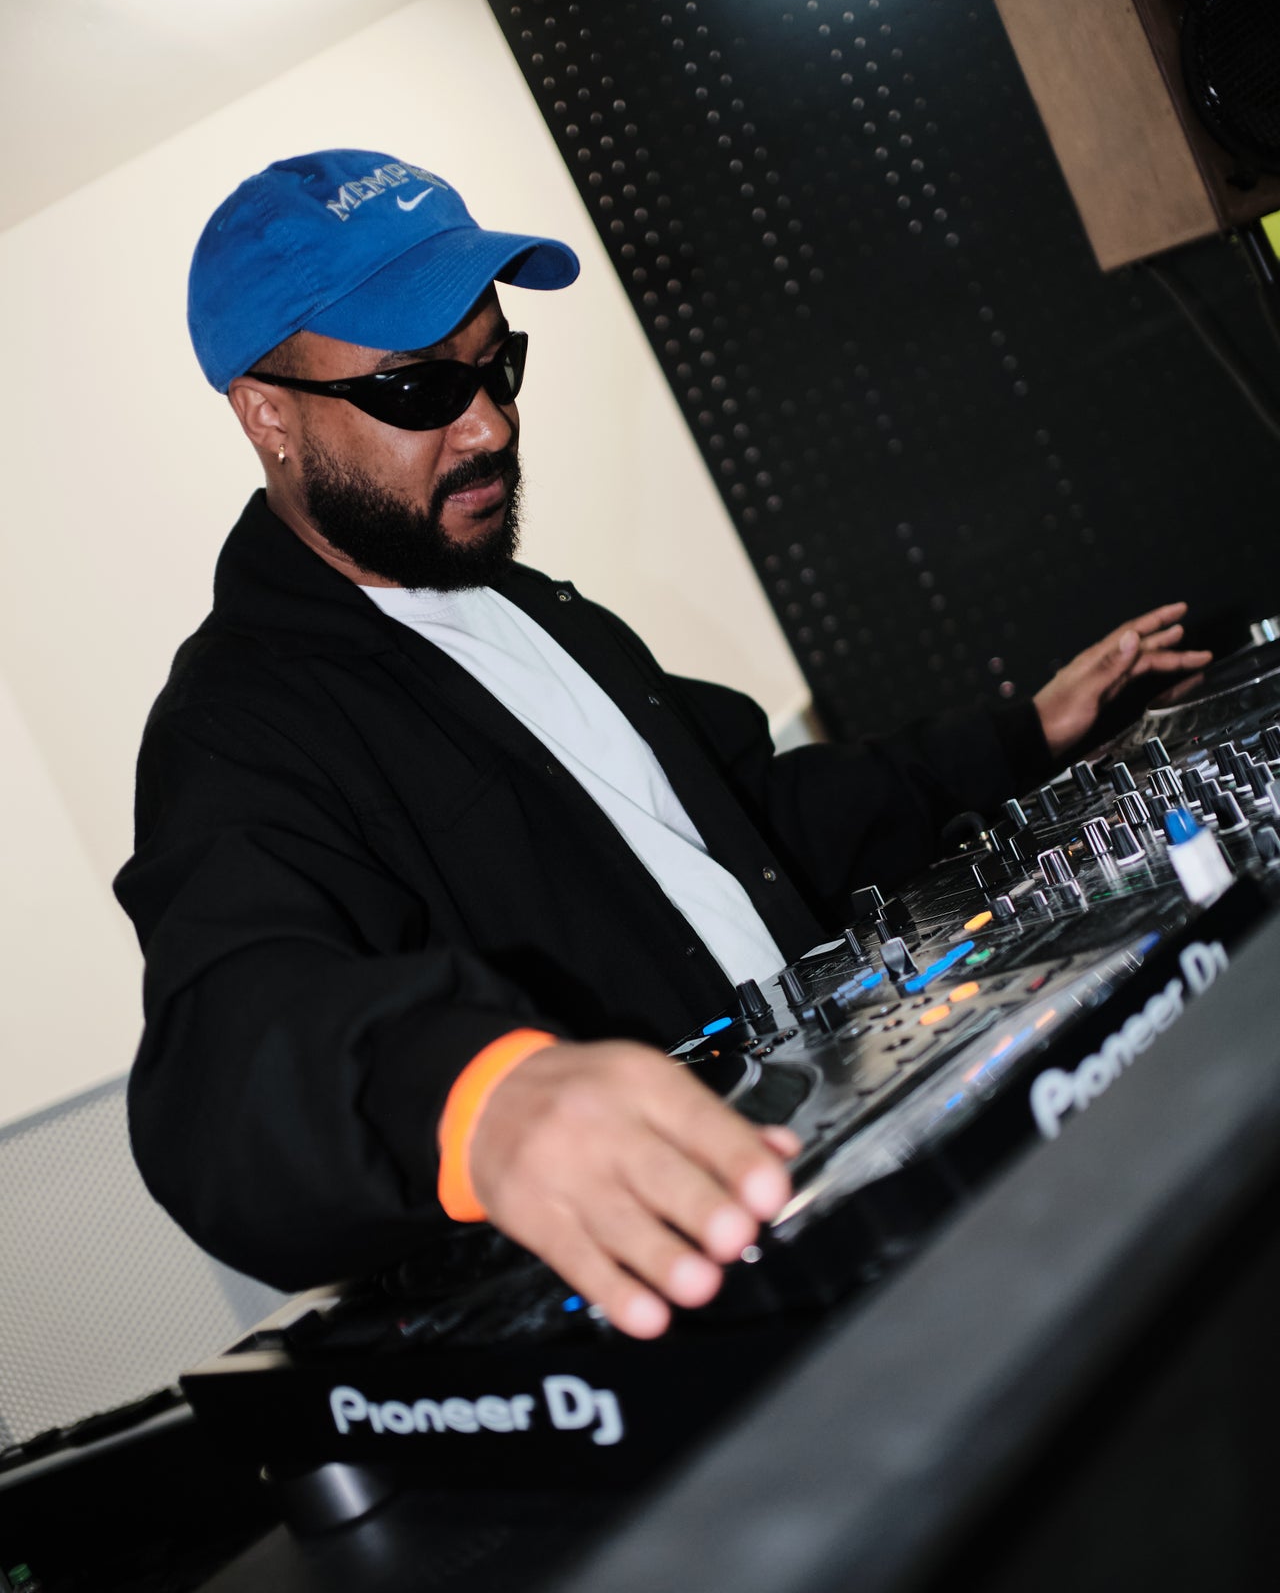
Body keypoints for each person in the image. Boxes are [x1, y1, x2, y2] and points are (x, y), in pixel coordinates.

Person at [114, 149, 1211, 1340]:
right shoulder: (239, 722)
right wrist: (482, 1099)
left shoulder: (535, 611)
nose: (489, 424)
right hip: (696, 1308)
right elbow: (223, 1059)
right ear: (267, 413)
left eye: (497, 366)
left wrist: (1017, 734)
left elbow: (751, 827)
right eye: (418, 390)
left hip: (838, 1194)